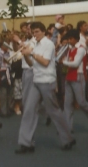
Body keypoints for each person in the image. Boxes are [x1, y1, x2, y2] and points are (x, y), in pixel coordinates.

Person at [17, 22, 75, 154]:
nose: (35, 34)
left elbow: (45, 62)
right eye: (33, 32)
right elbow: (32, 64)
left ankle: (67, 139)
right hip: (37, 80)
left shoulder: (48, 44)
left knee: (54, 111)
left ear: (43, 32)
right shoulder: (36, 44)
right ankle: (26, 143)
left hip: (47, 81)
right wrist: (26, 54)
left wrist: (31, 52)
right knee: (29, 110)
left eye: (37, 31)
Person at [60, 29, 88, 133]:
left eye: (70, 39)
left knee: (82, 102)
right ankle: (68, 127)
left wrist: (64, 63)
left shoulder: (81, 49)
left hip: (78, 76)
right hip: (69, 77)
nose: (69, 41)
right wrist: (64, 67)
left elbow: (75, 64)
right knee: (67, 103)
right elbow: (68, 63)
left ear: (75, 39)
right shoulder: (70, 49)